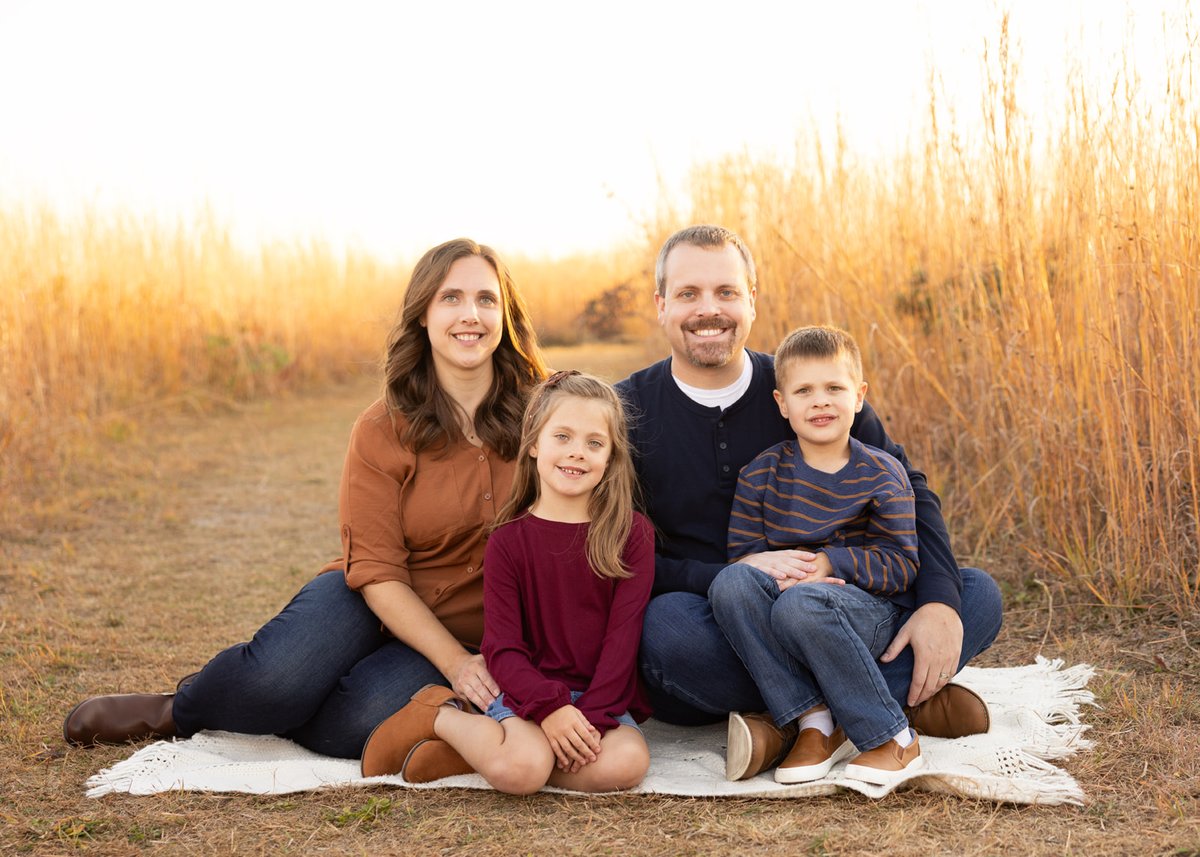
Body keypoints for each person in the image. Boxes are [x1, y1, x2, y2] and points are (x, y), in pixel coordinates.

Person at [63, 238, 548, 780]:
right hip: (368, 597)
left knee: (354, 720)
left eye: (486, 299)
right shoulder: (382, 427)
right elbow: (378, 570)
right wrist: (455, 667)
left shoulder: (546, 416)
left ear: (505, 315)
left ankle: (401, 716)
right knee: (275, 683)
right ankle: (180, 709)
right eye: (450, 298)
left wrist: (470, 657)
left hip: (472, 632)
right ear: (423, 315)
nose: (470, 315)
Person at [616, 224, 1004, 781]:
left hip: (842, 602)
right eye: (688, 293)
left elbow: (910, 488)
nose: (709, 309)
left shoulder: (811, 384)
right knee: (664, 635)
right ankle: (881, 701)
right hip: (720, 620)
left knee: (973, 594)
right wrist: (728, 572)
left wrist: (938, 603)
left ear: (752, 299)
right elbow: (619, 550)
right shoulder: (628, 409)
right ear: (661, 305)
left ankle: (796, 723)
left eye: (726, 292)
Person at [358, 371, 654, 793]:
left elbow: (622, 642)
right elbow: (502, 648)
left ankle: (473, 756)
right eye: (562, 437)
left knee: (626, 764)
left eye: (595, 443)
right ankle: (438, 716)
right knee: (523, 770)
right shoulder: (508, 541)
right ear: (533, 444)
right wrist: (550, 709)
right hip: (526, 693)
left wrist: (587, 719)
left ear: (611, 457)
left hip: (597, 699)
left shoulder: (631, 534)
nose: (577, 452)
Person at [711, 325, 926, 785]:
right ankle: (815, 722)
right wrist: (774, 571)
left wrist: (830, 563)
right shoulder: (760, 475)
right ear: (782, 403)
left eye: (834, 388)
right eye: (804, 391)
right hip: (784, 607)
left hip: (862, 613)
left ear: (859, 396)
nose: (820, 401)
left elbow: (901, 565)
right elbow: (743, 557)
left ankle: (895, 737)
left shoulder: (882, 473)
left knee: (803, 604)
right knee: (730, 584)